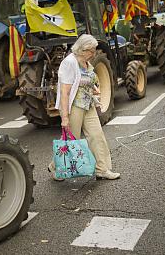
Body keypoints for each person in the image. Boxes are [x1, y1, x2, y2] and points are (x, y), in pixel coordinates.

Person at [50, 34, 120, 181]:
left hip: (88, 104)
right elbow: (65, 92)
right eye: (91, 50)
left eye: (94, 50)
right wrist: (64, 117)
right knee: (72, 139)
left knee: (97, 136)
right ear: (81, 49)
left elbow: (87, 79)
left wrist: (94, 88)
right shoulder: (69, 62)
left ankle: (102, 169)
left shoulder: (87, 62)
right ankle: (56, 167)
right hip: (74, 106)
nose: (93, 54)